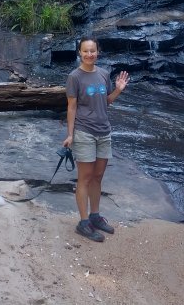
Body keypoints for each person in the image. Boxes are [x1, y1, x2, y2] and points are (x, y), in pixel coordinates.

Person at [62, 37, 130, 242]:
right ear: (79, 53)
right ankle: (83, 223)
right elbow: (71, 107)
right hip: (84, 132)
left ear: (98, 52)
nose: (89, 54)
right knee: (85, 177)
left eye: (92, 51)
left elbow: (106, 101)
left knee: (98, 177)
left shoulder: (103, 74)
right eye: (85, 51)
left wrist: (118, 90)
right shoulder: (74, 77)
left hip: (104, 131)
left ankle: (95, 216)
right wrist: (70, 134)